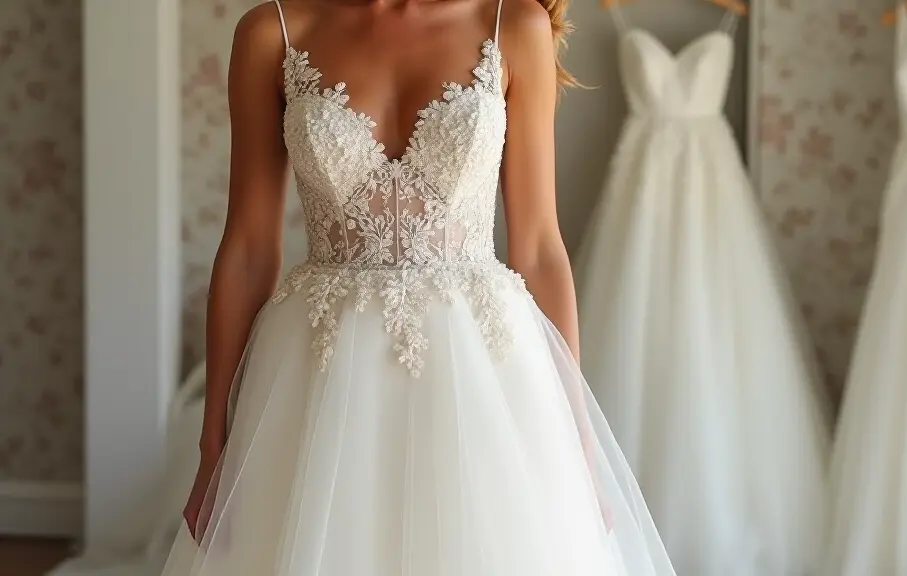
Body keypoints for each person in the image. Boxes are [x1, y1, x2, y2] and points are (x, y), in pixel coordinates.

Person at [159, 0, 679, 574]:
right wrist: (213, 447)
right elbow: (248, 253)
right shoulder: (272, 31)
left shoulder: (512, 23)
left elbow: (539, 248)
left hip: (483, 366)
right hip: (320, 368)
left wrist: (576, 434)